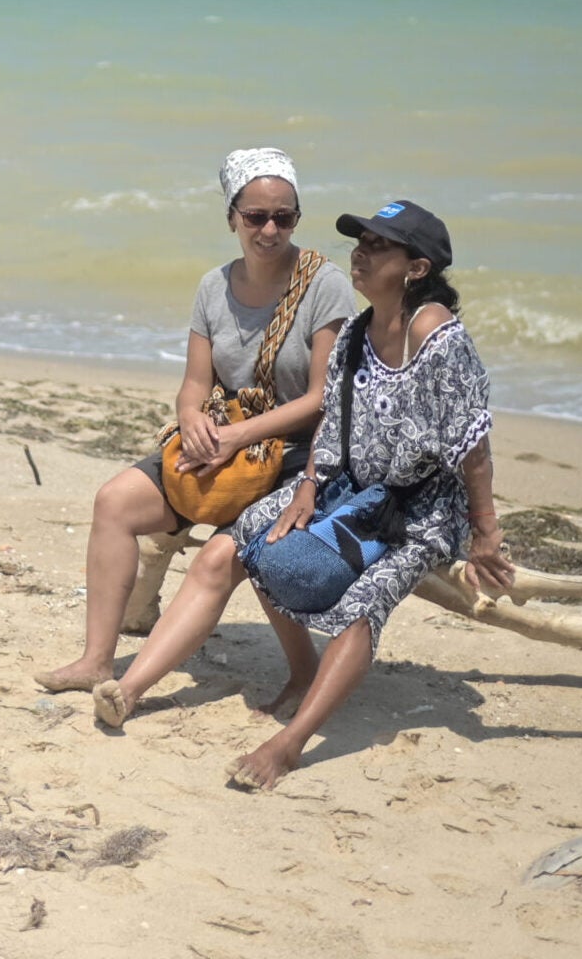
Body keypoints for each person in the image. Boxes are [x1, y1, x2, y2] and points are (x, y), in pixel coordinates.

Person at [91, 199, 516, 790]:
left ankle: (289, 746)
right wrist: (309, 486)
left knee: (365, 603)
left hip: (416, 510)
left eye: (377, 247)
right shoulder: (361, 330)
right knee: (231, 550)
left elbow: (474, 441)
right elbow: (332, 421)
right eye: (359, 242)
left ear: (416, 268)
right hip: (346, 483)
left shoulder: (437, 334)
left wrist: (486, 536)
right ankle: (129, 690)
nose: (360, 254)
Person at [34, 148, 355, 694]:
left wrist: (236, 435)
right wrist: (192, 420)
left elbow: (321, 399)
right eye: (256, 217)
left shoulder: (324, 284)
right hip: (221, 443)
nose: (270, 229)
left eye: (285, 217)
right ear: (232, 217)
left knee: (228, 552)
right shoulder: (214, 287)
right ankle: (95, 660)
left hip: (296, 455)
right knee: (113, 502)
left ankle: (302, 672)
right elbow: (195, 385)